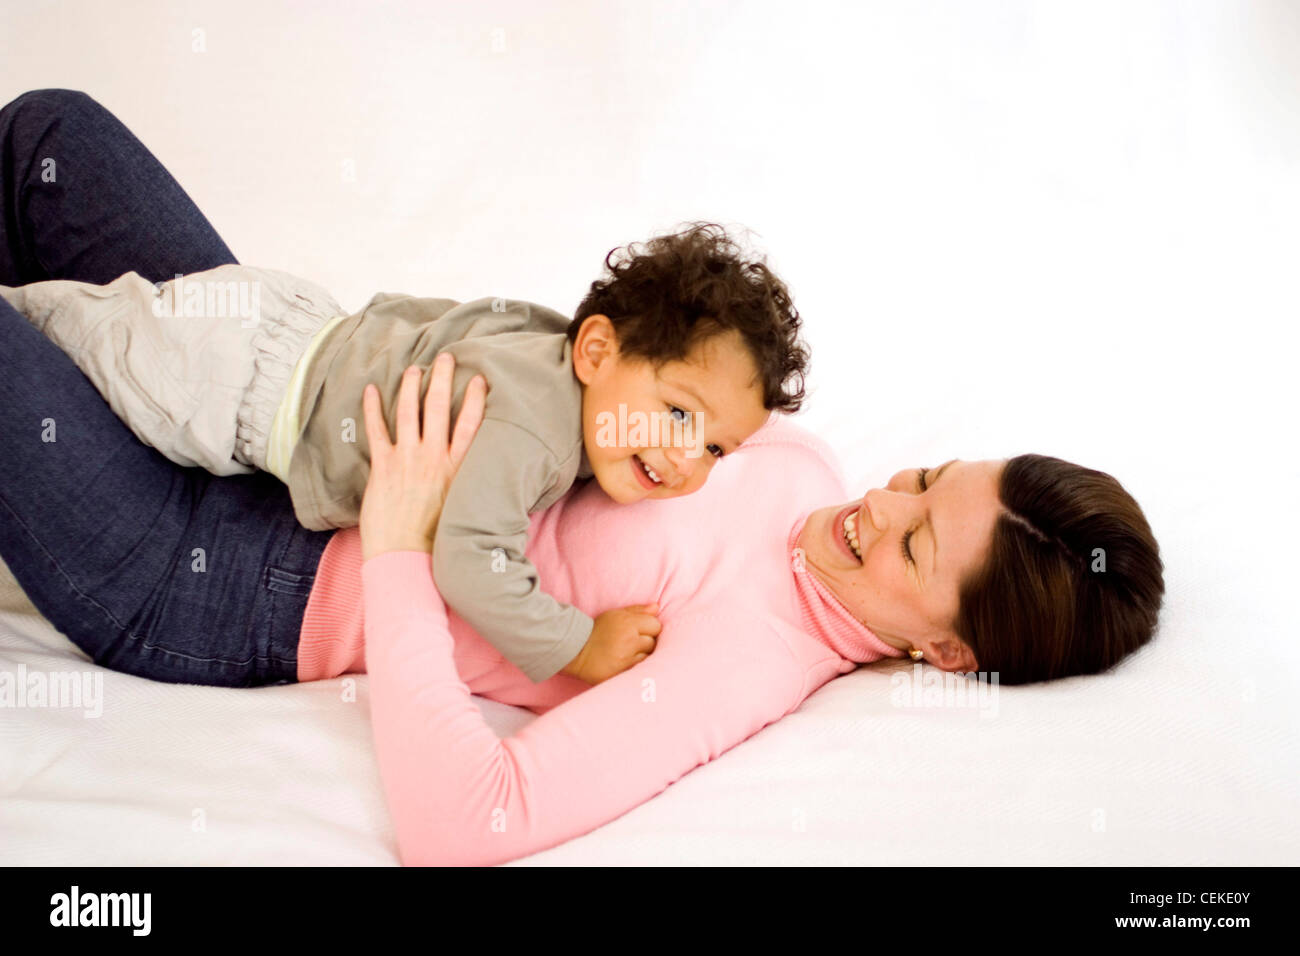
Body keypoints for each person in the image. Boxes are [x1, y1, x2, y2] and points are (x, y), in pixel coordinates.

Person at [0, 90, 1165, 866]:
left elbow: (469, 821)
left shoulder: (741, 665)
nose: (877, 504)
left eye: (916, 546)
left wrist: (402, 548)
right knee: (49, 140)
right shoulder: (797, 458)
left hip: (228, 573)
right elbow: (624, 390)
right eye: (924, 477)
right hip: (296, 412)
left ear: (944, 651)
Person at [1, 220, 804, 686]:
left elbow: (425, 318)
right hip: (236, 384)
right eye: (675, 413)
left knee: (90, 327)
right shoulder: (540, 435)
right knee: (63, 333)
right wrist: (576, 644)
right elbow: (470, 556)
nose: (687, 460)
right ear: (598, 350)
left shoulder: (546, 341)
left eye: (715, 450)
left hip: (289, 326)